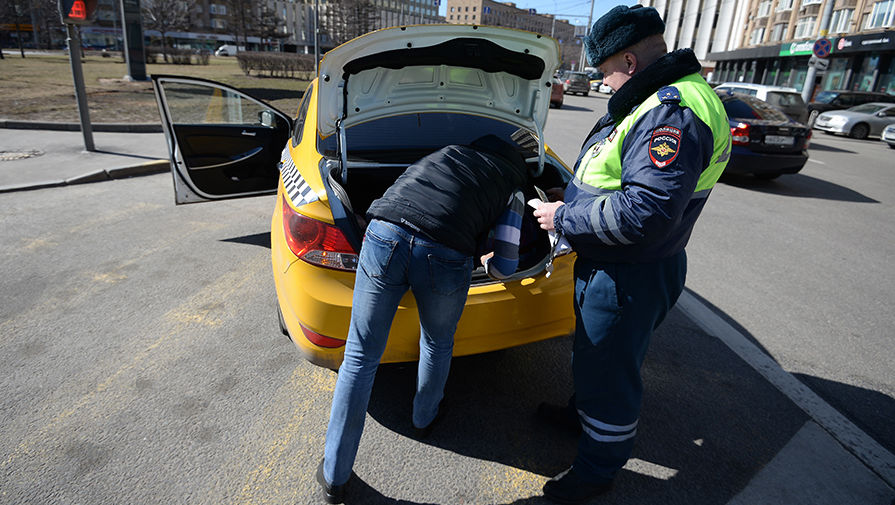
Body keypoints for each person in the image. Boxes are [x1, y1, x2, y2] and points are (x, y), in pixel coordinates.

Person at [532, 5, 732, 503]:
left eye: (605, 74)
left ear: (629, 59)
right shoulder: (665, 99)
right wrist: (571, 198)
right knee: (600, 361)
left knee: (611, 371)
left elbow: (645, 212)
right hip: (628, 266)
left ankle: (597, 469)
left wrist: (564, 219)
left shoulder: (671, 110)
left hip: (626, 273)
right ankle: (585, 414)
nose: (603, 85)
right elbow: (623, 181)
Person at [317, 135, 530, 504]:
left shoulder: (445, 153)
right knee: (437, 342)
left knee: (360, 357)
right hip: (445, 254)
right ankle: (424, 417)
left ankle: (335, 476)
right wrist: (483, 260)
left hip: (384, 231)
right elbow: (505, 266)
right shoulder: (512, 190)